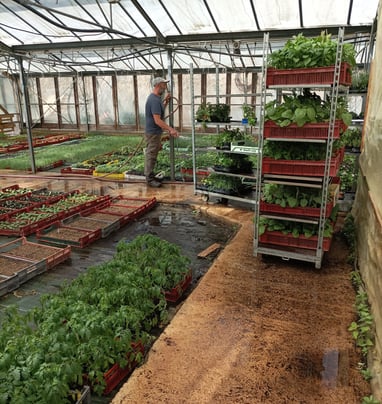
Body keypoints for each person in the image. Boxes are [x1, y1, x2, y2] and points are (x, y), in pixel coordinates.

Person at [144, 77, 179, 187]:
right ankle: (149, 179)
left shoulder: (157, 98)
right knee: (151, 154)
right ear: (158, 85)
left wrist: (166, 102)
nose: (165, 87)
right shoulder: (154, 100)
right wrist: (171, 129)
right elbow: (157, 120)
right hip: (153, 132)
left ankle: (151, 176)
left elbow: (159, 112)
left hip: (155, 131)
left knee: (153, 153)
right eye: (164, 85)